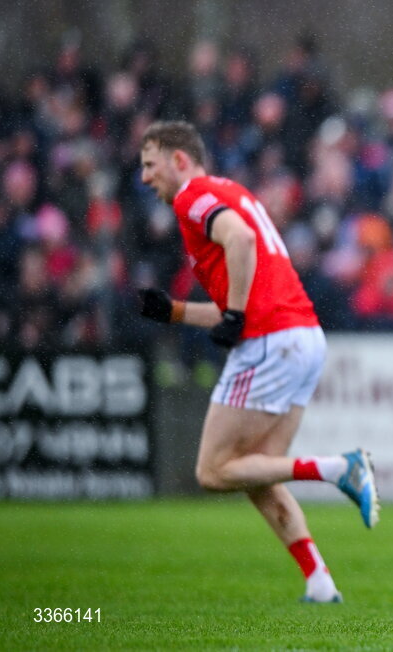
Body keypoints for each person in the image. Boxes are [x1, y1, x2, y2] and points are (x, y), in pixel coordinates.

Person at [137, 121, 379, 603]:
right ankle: (320, 580)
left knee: (212, 471)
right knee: (259, 471)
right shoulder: (230, 190)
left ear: (179, 160)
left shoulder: (193, 195)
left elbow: (241, 243)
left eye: (150, 164)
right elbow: (240, 283)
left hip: (270, 339)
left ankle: (339, 468)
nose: (145, 178)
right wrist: (176, 312)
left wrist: (238, 313)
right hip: (302, 336)